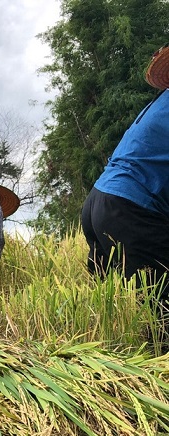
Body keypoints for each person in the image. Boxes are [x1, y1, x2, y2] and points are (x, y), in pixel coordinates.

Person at [81, 45, 169, 305]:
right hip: (128, 208)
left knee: (114, 307)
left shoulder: (159, 104)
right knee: (162, 311)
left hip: (99, 202)